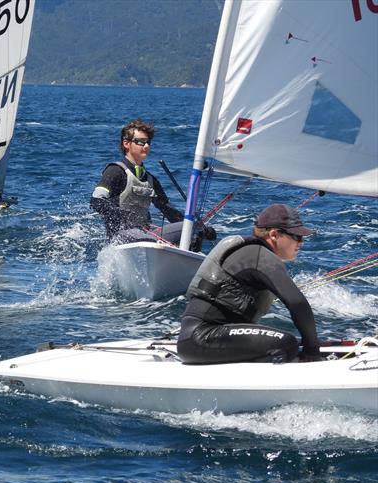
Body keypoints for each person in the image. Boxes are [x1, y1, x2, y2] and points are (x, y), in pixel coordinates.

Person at [176, 203, 323, 365]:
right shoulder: (260, 256)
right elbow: (298, 303)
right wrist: (312, 351)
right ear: (274, 234)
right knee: (287, 343)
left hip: (197, 338)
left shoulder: (255, 253)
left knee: (281, 340)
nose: (301, 242)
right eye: (296, 236)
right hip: (203, 337)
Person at [90, 119, 215, 247]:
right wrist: (119, 214)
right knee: (150, 242)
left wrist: (201, 229)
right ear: (126, 143)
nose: (146, 146)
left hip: (146, 235)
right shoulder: (115, 171)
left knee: (192, 229)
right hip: (121, 237)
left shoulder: (150, 179)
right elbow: (96, 201)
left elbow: (168, 210)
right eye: (140, 142)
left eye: (148, 142)